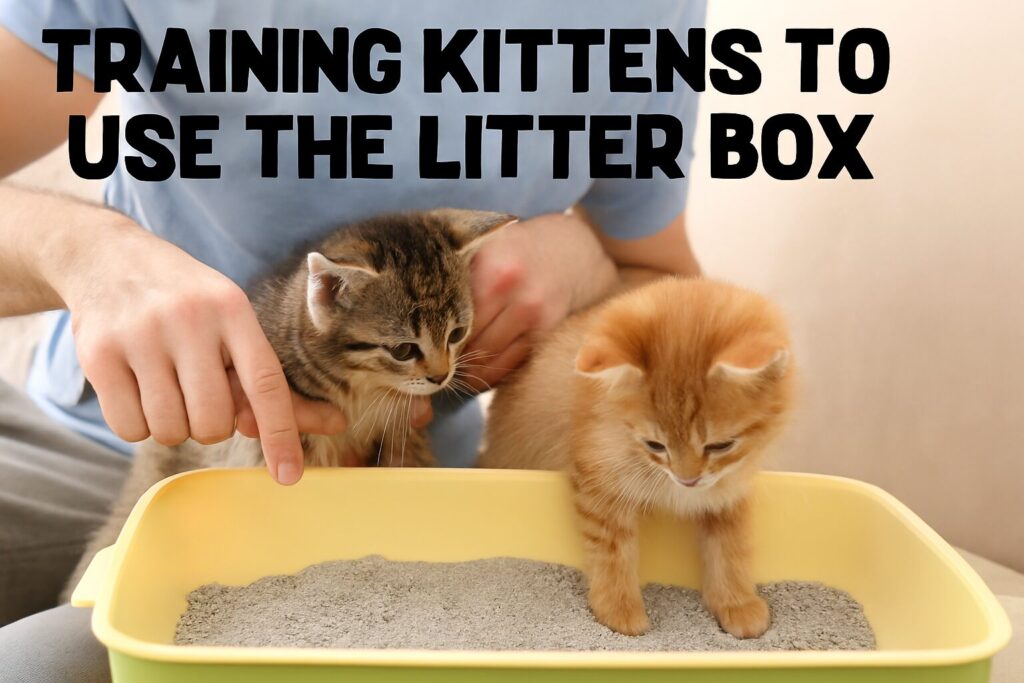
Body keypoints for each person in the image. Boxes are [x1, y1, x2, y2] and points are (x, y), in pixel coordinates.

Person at [0, 2, 704, 681]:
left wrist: (585, 260)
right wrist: (85, 251)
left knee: (47, 661)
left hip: (405, 474)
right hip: (108, 442)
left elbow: (665, 284)